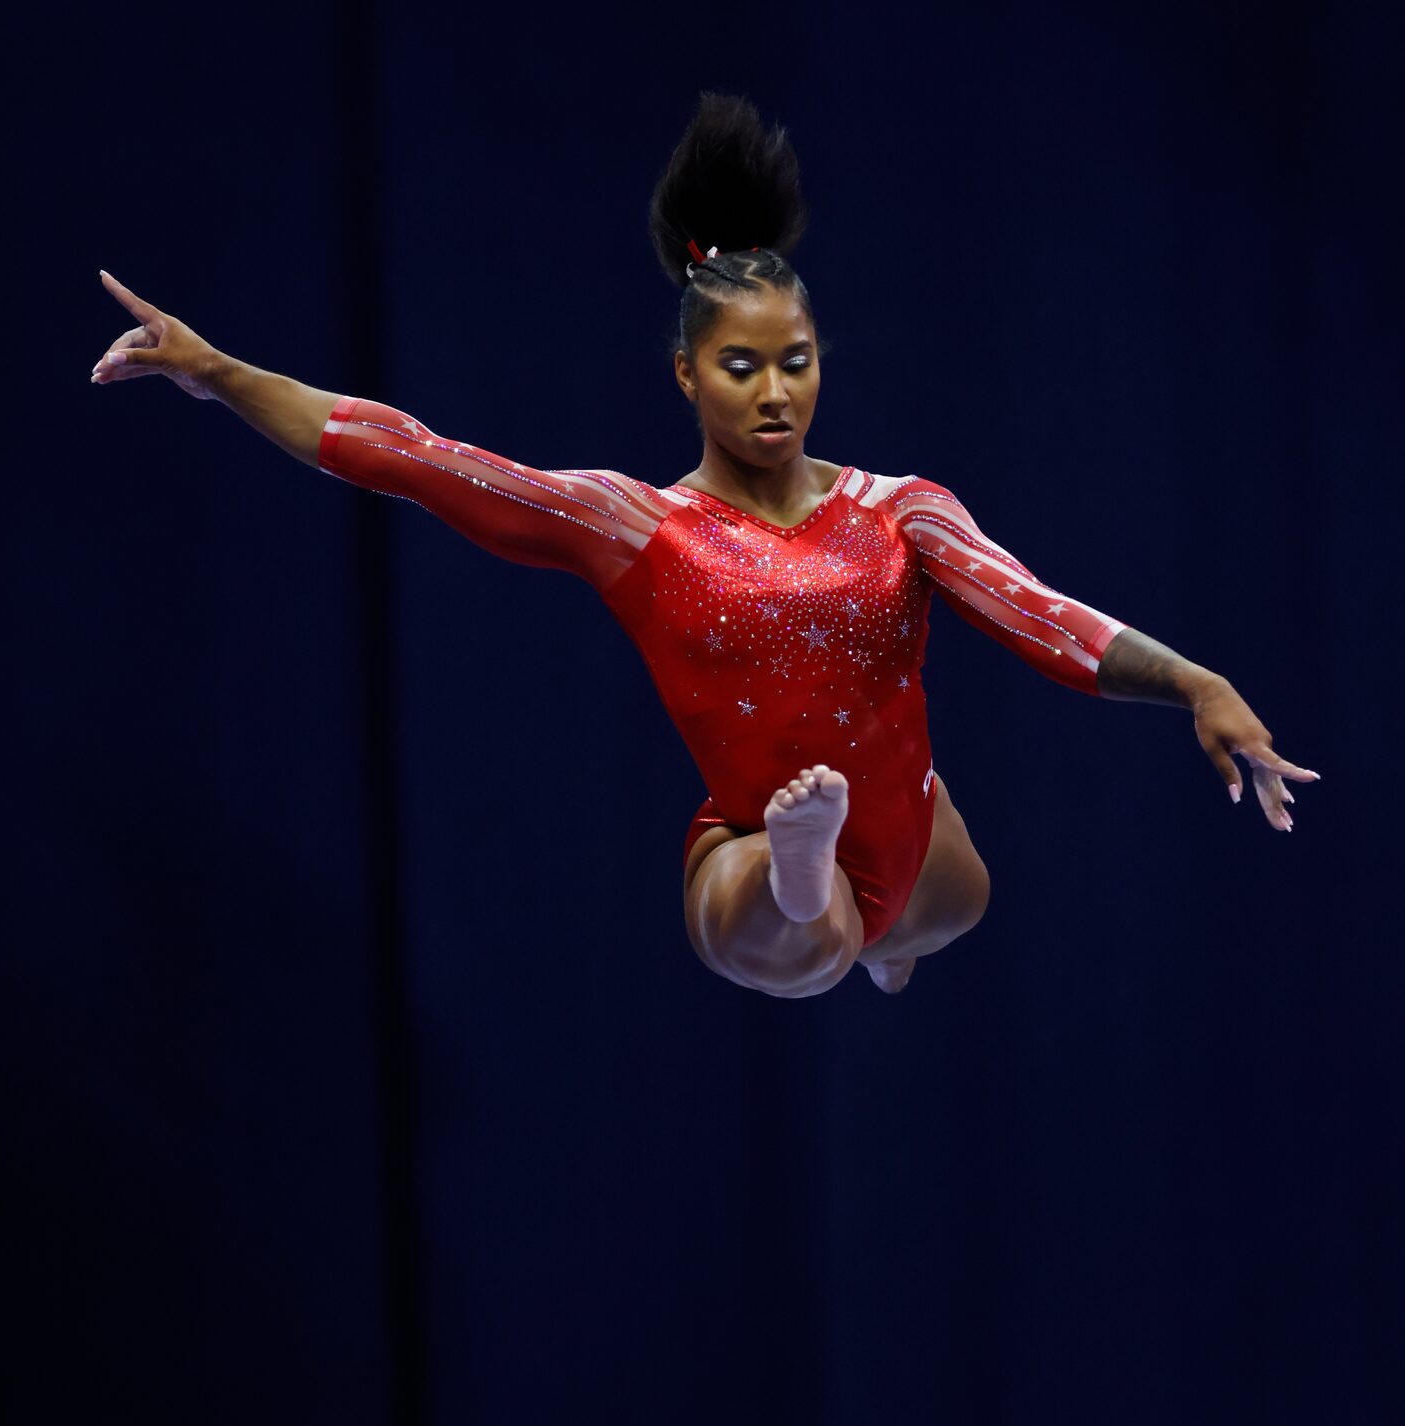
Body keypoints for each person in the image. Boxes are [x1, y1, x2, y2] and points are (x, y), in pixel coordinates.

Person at [90, 93, 1318, 1001]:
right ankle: (800, 879)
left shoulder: (904, 511)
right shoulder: (636, 526)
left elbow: (1035, 609)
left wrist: (1196, 684)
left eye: (797, 361)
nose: (775, 393)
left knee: (948, 910)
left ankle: (866, 926)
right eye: (741, 367)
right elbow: (411, 452)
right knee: (813, 929)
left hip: (914, 843)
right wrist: (218, 372)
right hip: (755, 850)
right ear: (686, 372)